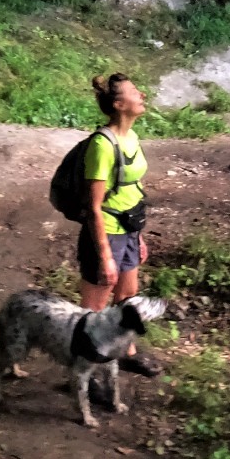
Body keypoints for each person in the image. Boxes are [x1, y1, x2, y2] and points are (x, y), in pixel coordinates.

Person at [77, 72, 159, 377]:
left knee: (128, 297)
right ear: (118, 103)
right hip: (106, 233)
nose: (142, 96)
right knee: (94, 311)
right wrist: (105, 255)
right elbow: (93, 207)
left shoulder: (132, 137)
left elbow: (130, 190)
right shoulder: (101, 145)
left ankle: (127, 352)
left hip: (129, 228)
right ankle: (84, 372)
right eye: (135, 92)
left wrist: (137, 237)